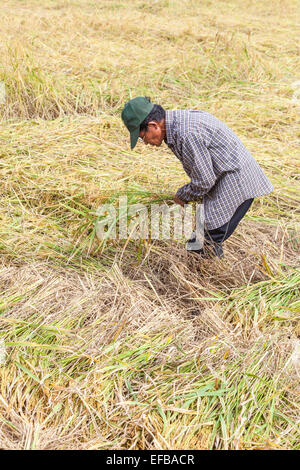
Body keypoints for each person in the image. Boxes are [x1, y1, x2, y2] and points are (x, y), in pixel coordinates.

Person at [121, 96, 273, 258]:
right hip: (232, 179)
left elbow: (204, 181)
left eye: (141, 136)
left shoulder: (186, 134)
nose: (144, 142)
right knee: (204, 243)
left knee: (199, 247)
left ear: (153, 125)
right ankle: (215, 271)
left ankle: (212, 280)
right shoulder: (180, 122)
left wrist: (183, 195)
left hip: (236, 185)